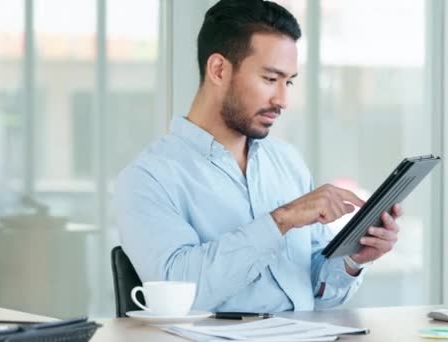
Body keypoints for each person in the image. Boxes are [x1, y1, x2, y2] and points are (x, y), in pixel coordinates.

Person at [114, 0, 402, 313]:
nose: (283, 100)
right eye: (269, 79)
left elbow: (318, 293)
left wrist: (352, 260)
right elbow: (179, 297)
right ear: (219, 70)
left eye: (288, 81)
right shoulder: (148, 179)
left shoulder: (287, 162)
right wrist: (281, 220)